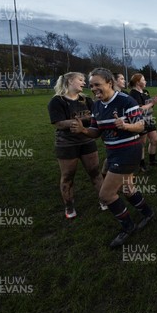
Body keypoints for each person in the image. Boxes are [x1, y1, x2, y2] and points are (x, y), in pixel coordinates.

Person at [70, 68, 154, 248]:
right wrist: (83, 130)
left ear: (109, 83)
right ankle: (148, 213)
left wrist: (125, 126)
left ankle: (128, 226)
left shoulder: (125, 100)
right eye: (91, 85)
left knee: (106, 195)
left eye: (97, 85)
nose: (93, 89)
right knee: (127, 189)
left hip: (129, 152)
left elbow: (140, 126)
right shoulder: (98, 106)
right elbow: (96, 131)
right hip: (113, 153)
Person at [47, 72, 103, 219]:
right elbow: (58, 123)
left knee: (95, 172)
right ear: (70, 81)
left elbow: (96, 117)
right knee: (67, 177)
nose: (84, 83)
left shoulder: (87, 99)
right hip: (67, 144)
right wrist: (85, 119)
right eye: (81, 80)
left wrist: (81, 121)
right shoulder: (57, 101)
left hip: (87, 140)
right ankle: (69, 207)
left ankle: (104, 200)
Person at [129, 74, 157, 170]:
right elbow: (139, 110)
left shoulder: (146, 92)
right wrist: (152, 102)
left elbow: (149, 105)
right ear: (137, 82)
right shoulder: (133, 94)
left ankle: (152, 161)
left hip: (149, 119)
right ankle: (141, 164)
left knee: (154, 140)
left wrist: (151, 103)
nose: (145, 81)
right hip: (140, 121)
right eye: (143, 80)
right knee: (142, 143)